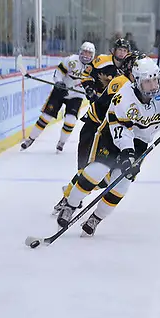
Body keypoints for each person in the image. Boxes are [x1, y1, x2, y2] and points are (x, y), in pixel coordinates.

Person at [55, 57, 160, 236]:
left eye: (156, 79)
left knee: (122, 183)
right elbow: (120, 129)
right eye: (148, 82)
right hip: (113, 135)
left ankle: (96, 218)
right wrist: (127, 152)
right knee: (97, 171)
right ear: (137, 81)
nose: (154, 85)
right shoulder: (124, 98)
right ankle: (70, 205)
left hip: (141, 141)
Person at [52, 51, 147, 215]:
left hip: (108, 131)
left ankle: (72, 192)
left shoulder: (134, 85)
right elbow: (117, 111)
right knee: (89, 170)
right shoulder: (122, 82)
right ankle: (68, 199)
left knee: (104, 175)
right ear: (131, 69)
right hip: (95, 129)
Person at [20, 41, 95, 152]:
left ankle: (61, 142)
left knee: (70, 120)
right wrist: (58, 82)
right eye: (84, 52)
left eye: (89, 53)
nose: (86, 55)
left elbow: (95, 83)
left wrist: (91, 91)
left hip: (77, 95)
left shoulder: (94, 67)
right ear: (80, 51)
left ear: (92, 55)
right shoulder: (71, 60)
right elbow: (59, 72)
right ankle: (30, 139)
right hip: (61, 91)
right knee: (46, 117)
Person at [81, 38, 130, 104]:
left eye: (124, 50)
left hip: (118, 102)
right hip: (98, 100)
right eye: (120, 49)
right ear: (114, 50)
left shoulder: (129, 66)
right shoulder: (102, 61)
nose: (122, 53)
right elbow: (86, 75)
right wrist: (89, 88)